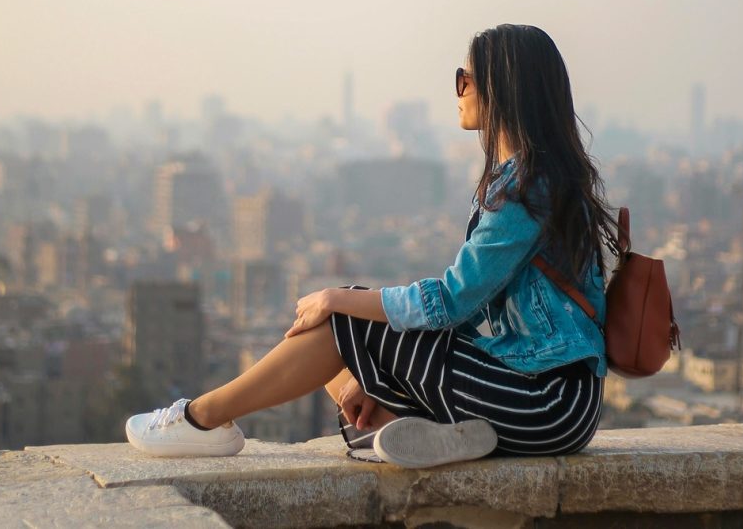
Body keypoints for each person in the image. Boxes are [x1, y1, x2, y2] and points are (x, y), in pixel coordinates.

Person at [125, 23, 622, 468]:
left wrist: (339, 298)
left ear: (504, 88)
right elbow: (470, 311)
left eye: (465, 79)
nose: (459, 90)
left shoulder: (528, 189)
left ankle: (202, 418)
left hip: (547, 402)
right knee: (343, 332)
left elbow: (452, 301)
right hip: (545, 403)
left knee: (340, 316)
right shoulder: (533, 181)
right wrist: (376, 372)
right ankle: (411, 430)